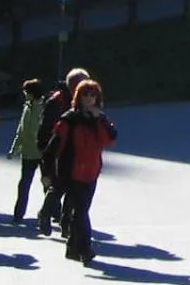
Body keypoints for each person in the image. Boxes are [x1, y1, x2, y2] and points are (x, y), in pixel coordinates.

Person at [44, 79, 116, 265]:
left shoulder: (100, 118)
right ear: (79, 96)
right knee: (81, 211)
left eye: (93, 95)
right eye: (86, 94)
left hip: (91, 172)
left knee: (80, 212)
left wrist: (98, 119)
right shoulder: (69, 118)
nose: (89, 98)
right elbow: (53, 146)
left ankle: (73, 247)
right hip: (71, 172)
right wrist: (48, 172)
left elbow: (108, 139)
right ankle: (85, 249)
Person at [36, 68, 90, 236]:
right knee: (57, 187)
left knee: (74, 190)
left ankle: (66, 224)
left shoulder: (87, 102)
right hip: (59, 153)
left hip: (80, 155)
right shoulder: (56, 101)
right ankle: (45, 213)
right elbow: (44, 131)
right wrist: (46, 157)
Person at [10, 78, 48, 225]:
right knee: (24, 183)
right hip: (28, 153)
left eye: (26, 91)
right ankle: (18, 213)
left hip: (42, 152)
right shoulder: (27, 107)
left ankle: (52, 212)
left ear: (33, 93)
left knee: (47, 183)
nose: (25, 94)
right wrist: (14, 148)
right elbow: (21, 130)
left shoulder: (44, 106)